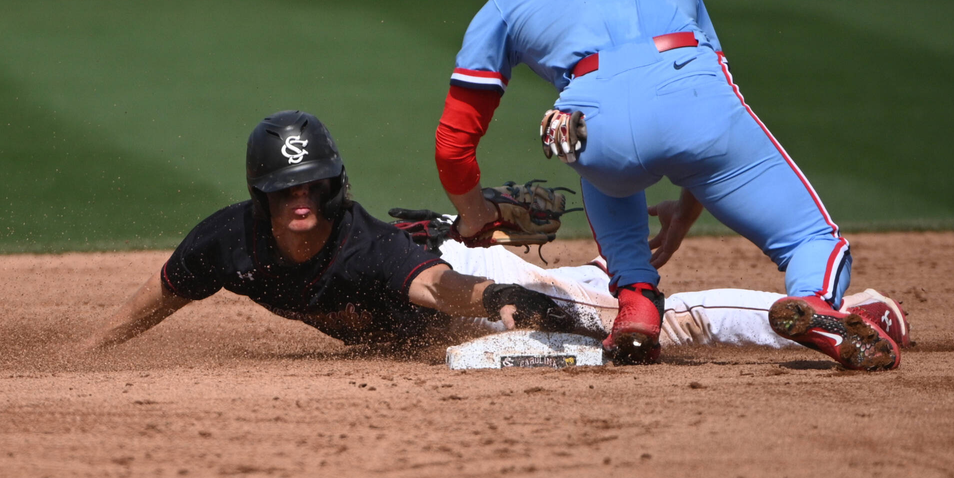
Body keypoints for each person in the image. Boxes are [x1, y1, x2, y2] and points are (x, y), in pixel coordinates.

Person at [433, 0, 904, 370]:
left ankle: (636, 302)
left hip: (595, 131)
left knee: (573, 128)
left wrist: (475, 215)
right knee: (812, 239)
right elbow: (718, 83)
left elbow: (453, 143)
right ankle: (814, 301)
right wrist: (685, 211)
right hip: (697, 101)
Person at [80, 110, 911, 361]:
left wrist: (505, 297)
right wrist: (87, 352)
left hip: (465, 275)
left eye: (312, 188)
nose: (299, 202)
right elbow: (163, 291)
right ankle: (596, 271)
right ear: (260, 199)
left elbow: (441, 288)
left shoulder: (364, 249)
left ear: (333, 189)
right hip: (458, 272)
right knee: (590, 298)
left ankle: (843, 311)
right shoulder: (226, 243)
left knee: (646, 317)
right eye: (282, 192)